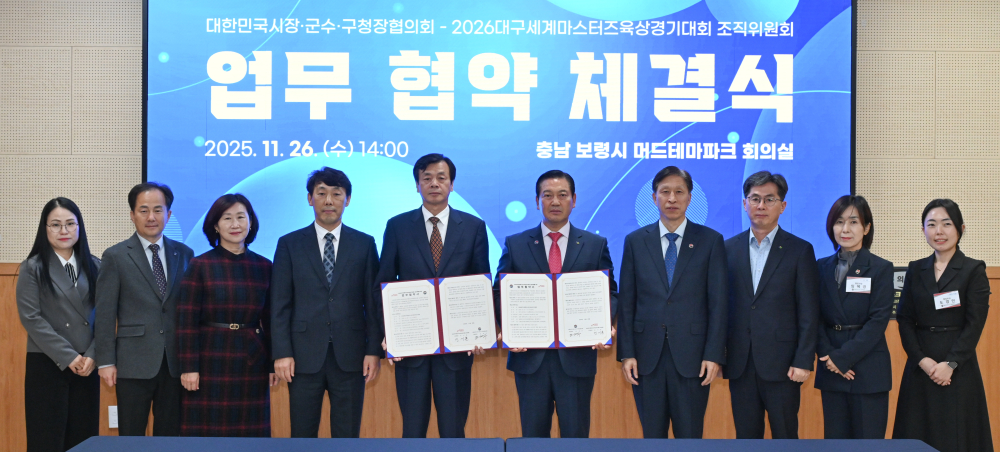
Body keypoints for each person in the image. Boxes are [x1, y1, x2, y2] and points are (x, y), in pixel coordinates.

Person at [492, 170, 617, 438]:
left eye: (562, 195)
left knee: (575, 436)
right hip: (530, 358)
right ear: (537, 202)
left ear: (574, 199)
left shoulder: (595, 245)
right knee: (533, 437)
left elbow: (610, 292)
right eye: (547, 195)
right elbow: (499, 291)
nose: (555, 201)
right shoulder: (516, 244)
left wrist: (605, 324)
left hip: (577, 357)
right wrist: (508, 328)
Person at [376, 153, 490, 438]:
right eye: (426, 178)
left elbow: (480, 284)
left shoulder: (473, 227)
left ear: (452, 184)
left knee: (453, 429)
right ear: (417, 185)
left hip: (456, 349)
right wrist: (388, 333)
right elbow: (384, 283)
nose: (434, 184)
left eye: (441, 177)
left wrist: (482, 331)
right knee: (413, 430)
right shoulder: (397, 226)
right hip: (410, 346)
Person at [271, 168, 381, 438]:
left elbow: (373, 303)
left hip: (351, 356)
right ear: (310, 199)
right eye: (321, 193)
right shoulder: (289, 244)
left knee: (347, 435)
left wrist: (373, 350)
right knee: (302, 434)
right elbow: (279, 304)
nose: (329, 200)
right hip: (302, 356)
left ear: (348, 199)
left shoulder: (364, 244)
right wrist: (281, 352)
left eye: (336, 194)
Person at [617, 166, 727, 439]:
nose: (672, 198)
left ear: (690, 197)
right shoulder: (635, 242)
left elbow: (718, 304)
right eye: (665, 192)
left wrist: (713, 354)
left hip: (693, 358)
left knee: (690, 436)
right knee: (652, 437)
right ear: (654, 197)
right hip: (646, 357)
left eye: (679, 192)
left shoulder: (710, 241)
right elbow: (627, 302)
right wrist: (627, 353)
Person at [723, 170, 819, 439]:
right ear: (745, 203)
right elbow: (721, 307)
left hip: (784, 365)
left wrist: (803, 360)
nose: (761, 205)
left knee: (785, 436)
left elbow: (809, 311)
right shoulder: (727, 249)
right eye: (754, 198)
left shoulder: (800, 250)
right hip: (740, 363)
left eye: (769, 199)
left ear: (782, 206)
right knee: (746, 438)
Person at [892, 199, 993, 452]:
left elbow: (975, 324)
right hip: (921, 366)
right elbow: (905, 319)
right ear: (923, 230)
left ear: (960, 228)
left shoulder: (973, 269)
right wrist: (922, 360)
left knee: (956, 435)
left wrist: (951, 364)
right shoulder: (916, 269)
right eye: (932, 224)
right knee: (917, 433)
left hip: (958, 367)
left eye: (946, 224)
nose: (939, 231)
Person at [95, 182, 194, 436]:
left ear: (168, 214)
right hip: (132, 363)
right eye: (144, 210)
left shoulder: (185, 253)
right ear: (132, 215)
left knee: (169, 436)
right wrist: (106, 361)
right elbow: (105, 314)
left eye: (158, 210)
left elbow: (189, 310)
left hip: (174, 363)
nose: (151, 217)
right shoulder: (115, 256)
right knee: (131, 435)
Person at [176, 194, 277, 436]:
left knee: (250, 434)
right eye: (227, 218)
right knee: (206, 433)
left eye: (241, 217)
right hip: (209, 357)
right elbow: (186, 321)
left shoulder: (264, 266)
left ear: (250, 222)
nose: (235, 224)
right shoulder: (200, 265)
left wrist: (273, 362)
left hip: (252, 358)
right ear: (215, 225)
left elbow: (272, 319)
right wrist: (189, 367)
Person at [17, 198, 101, 452]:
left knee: (84, 439)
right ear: (45, 228)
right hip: (47, 362)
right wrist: (68, 356)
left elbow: (106, 317)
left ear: (79, 227)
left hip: (87, 365)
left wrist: (93, 354)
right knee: (46, 439)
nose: (64, 231)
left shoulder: (96, 265)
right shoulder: (32, 267)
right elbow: (31, 318)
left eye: (70, 224)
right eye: (55, 224)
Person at [814, 195, 893, 439]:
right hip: (831, 366)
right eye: (839, 222)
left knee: (868, 443)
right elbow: (812, 317)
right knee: (835, 443)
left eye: (853, 222)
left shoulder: (881, 268)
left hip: (867, 368)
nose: (845, 229)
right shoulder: (819, 267)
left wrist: (843, 358)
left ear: (866, 228)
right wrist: (829, 357)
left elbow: (878, 321)